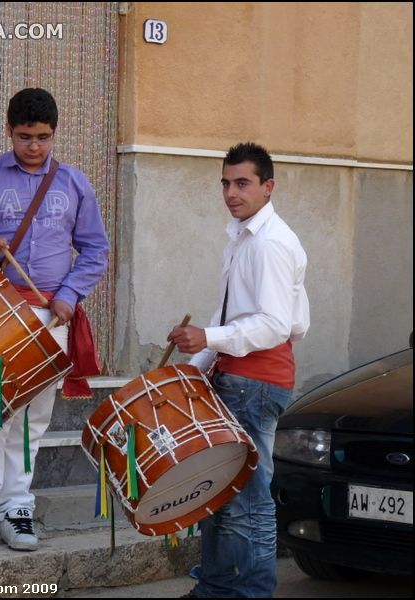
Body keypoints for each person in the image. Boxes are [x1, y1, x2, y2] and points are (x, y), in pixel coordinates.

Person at [0, 88, 110, 552]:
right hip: (0, 309)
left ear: (54, 133)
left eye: (43, 137)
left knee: (34, 418)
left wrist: (71, 295)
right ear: (9, 131)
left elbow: (95, 249)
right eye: (24, 137)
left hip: (51, 312)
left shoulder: (74, 183)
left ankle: (17, 506)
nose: (34, 146)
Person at [168, 142, 310, 597]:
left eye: (243, 183)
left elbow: (275, 326)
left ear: (268, 187)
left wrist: (208, 340)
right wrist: (194, 369)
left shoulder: (269, 243)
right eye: (226, 183)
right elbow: (280, 319)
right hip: (242, 378)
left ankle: (245, 593)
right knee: (221, 496)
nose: (232, 192)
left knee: (245, 502)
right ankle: (214, 589)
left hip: (255, 382)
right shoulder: (244, 236)